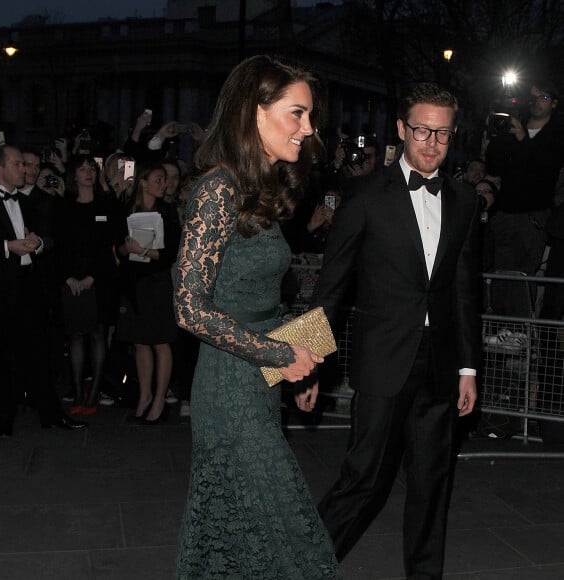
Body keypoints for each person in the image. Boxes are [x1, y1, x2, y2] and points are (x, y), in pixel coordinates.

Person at [173, 54, 341, 579]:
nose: (308, 128)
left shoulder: (255, 192)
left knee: (243, 529)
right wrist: (280, 353)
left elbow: (261, 297)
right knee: (284, 531)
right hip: (228, 387)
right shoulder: (217, 189)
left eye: (309, 116)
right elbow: (189, 308)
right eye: (297, 113)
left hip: (259, 382)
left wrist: (304, 359)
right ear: (255, 112)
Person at [311, 83, 480, 578]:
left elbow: (465, 292)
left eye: (443, 134)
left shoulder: (466, 200)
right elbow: (331, 286)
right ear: (402, 129)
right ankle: (301, 564)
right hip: (383, 361)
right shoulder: (365, 196)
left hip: (442, 365)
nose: (431, 142)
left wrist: (468, 368)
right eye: (422, 130)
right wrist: (305, 362)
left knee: (433, 483)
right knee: (362, 480)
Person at [0, 145, 87, 436]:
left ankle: (51, 413)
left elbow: (51, 238)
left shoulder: (30, 202)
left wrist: (38, 244)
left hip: (30, 287)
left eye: (26, 165)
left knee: (38, 354)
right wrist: (8, 247)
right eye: (18, 164)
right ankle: (4, 420)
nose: (26, 170)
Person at [55, 155, 120, 415]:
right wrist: (68, 277)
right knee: (76, 335)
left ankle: (93, 395)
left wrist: (92, 276)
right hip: (71, 280)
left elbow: (110, 244)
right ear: (73, 175)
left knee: (98, 334)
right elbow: (58, 247)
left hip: (100, 280)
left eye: (91, 169)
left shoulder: (105, 204)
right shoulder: (64, 206)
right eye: (82, 169)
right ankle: (76, 390)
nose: (88, 173)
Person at [116, 163, 181, 423]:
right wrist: (127, 248)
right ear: (143, 182)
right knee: (140, 341)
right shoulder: (128, 210)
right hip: (133, 282)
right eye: (158, 178)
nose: (164, 184)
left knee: (160, 341)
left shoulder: (167, 213)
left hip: (156, 282)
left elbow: (170, 254)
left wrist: (145, 252)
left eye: (165, 180)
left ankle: (159, 400)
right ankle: (144, 397)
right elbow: (117, 248)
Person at [485, 80, 564, 275]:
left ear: (554, 103)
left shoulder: (557, 134)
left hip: (533, 216)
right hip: (504, 213)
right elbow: (494, 166)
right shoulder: (512, 127)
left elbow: (543, 167)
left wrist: (522, 137)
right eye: (534, 97)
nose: (537, 102)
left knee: (524, 276)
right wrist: (495, 135)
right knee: (498, 273)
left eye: (544, 98)